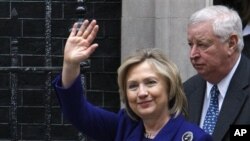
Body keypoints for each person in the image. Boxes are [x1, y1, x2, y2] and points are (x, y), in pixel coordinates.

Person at [52, 19, 212, 141]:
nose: (142, 93)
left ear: (169, 89)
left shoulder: (194, 137)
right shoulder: (123, 126)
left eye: (151, 82)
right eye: (133, 86)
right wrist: (71, 64)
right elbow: (78, 113)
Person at [184, 5, 250, 141]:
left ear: (231, 43)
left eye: (202, 44)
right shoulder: (185, 92)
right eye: (191, 44)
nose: (193, 54)